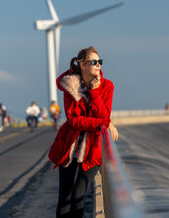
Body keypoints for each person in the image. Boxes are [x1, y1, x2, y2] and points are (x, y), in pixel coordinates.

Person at [48, 46, 119, 218]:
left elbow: (104, 115)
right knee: (64, 196)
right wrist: (103, 123)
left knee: (78, 196)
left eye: (99, 62)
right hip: (69, 146)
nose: (98, 65)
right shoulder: (70, 86)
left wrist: (94, 93)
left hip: (93, 149)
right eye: (93, 62)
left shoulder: (107, 86)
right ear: (82, 65)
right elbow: (74, 120)